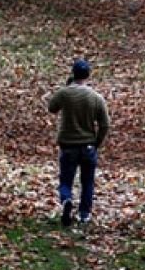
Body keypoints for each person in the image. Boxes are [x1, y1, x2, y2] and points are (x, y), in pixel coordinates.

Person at [47, 58, 109, 227]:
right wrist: (97, 143)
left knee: (66, 180)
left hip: (68, 145)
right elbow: (105, 124)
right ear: (88, 75)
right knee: (87, 182)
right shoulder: (96, 97)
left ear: (73, 74)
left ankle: (66, 200)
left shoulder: (64, 93)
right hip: (88, 145)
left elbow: (52, 108)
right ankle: (84, 214)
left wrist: (66, 88)